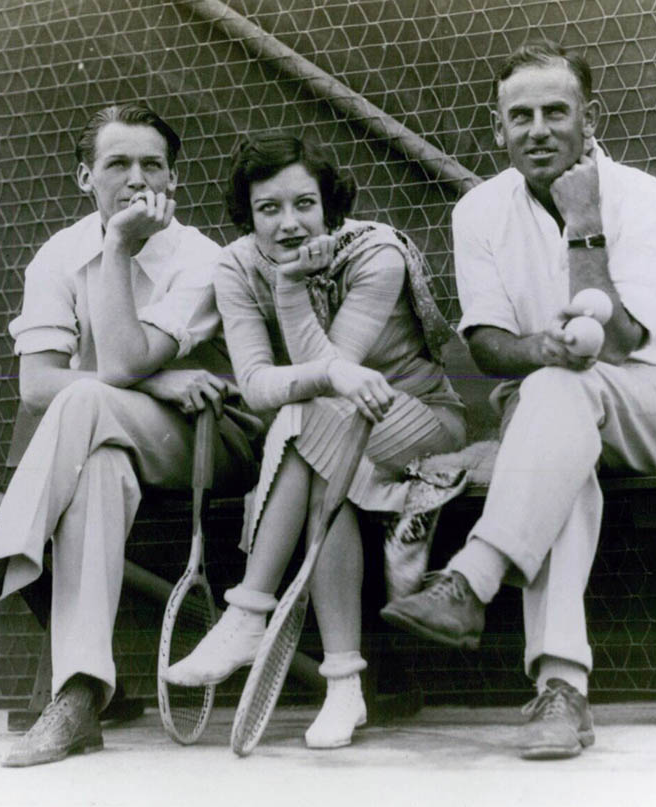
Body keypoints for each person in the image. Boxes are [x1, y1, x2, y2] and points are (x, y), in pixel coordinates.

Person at [0, 104, 258, 767]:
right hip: (103, 442)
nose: (135, 179)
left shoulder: (203, 261)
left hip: (210, 441)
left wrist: (121, 249)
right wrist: (155, 383)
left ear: (172, 180)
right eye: (117, 164)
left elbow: (117, 364)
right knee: (98, 466)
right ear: (83, 178)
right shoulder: (58, 256)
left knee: (91, 403)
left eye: (152, 164)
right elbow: (37, 387)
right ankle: (78, 698)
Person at [380, 39, 656, 760]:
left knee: (558, 400)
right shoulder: (477, 211)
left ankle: (471, 577)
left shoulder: (649, 200)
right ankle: (561, 692)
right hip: (548, 409)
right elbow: (489, 343)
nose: (538, 129)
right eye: (520, 115)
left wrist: (585, 217)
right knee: (560, 440)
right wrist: (545, 351)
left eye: (555, 112)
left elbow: (623, 340)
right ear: (498, 128)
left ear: (588, 119)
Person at [163, 133, 466, 749]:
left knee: (310, 418)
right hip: (334, 439)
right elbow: (253, 383)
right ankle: (343, 689)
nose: (289, 223)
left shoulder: (376, 253)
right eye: (267, 209)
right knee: (323, 448)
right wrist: (317, 373)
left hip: (423, 427)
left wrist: (292, 289)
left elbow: (330, 369)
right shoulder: (236, 264)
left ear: (330, 205)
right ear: (249, 217)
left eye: (303, 204)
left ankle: (249, 613)